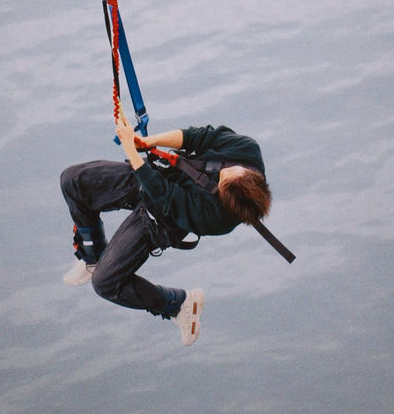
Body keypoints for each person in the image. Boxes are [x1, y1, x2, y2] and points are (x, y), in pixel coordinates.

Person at [60, 116, 271, 345]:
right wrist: (146, 142)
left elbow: (163, 194)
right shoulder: (247, 149)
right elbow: (195, 137)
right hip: (161, 175)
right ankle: (92, 256)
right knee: (72, 181)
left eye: (221, 186)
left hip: (158, 219)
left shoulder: (217, 218)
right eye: (227, 174)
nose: (221, 176)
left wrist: (130, 148)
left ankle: (178, 304)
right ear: (248, 173)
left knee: (105, 283)